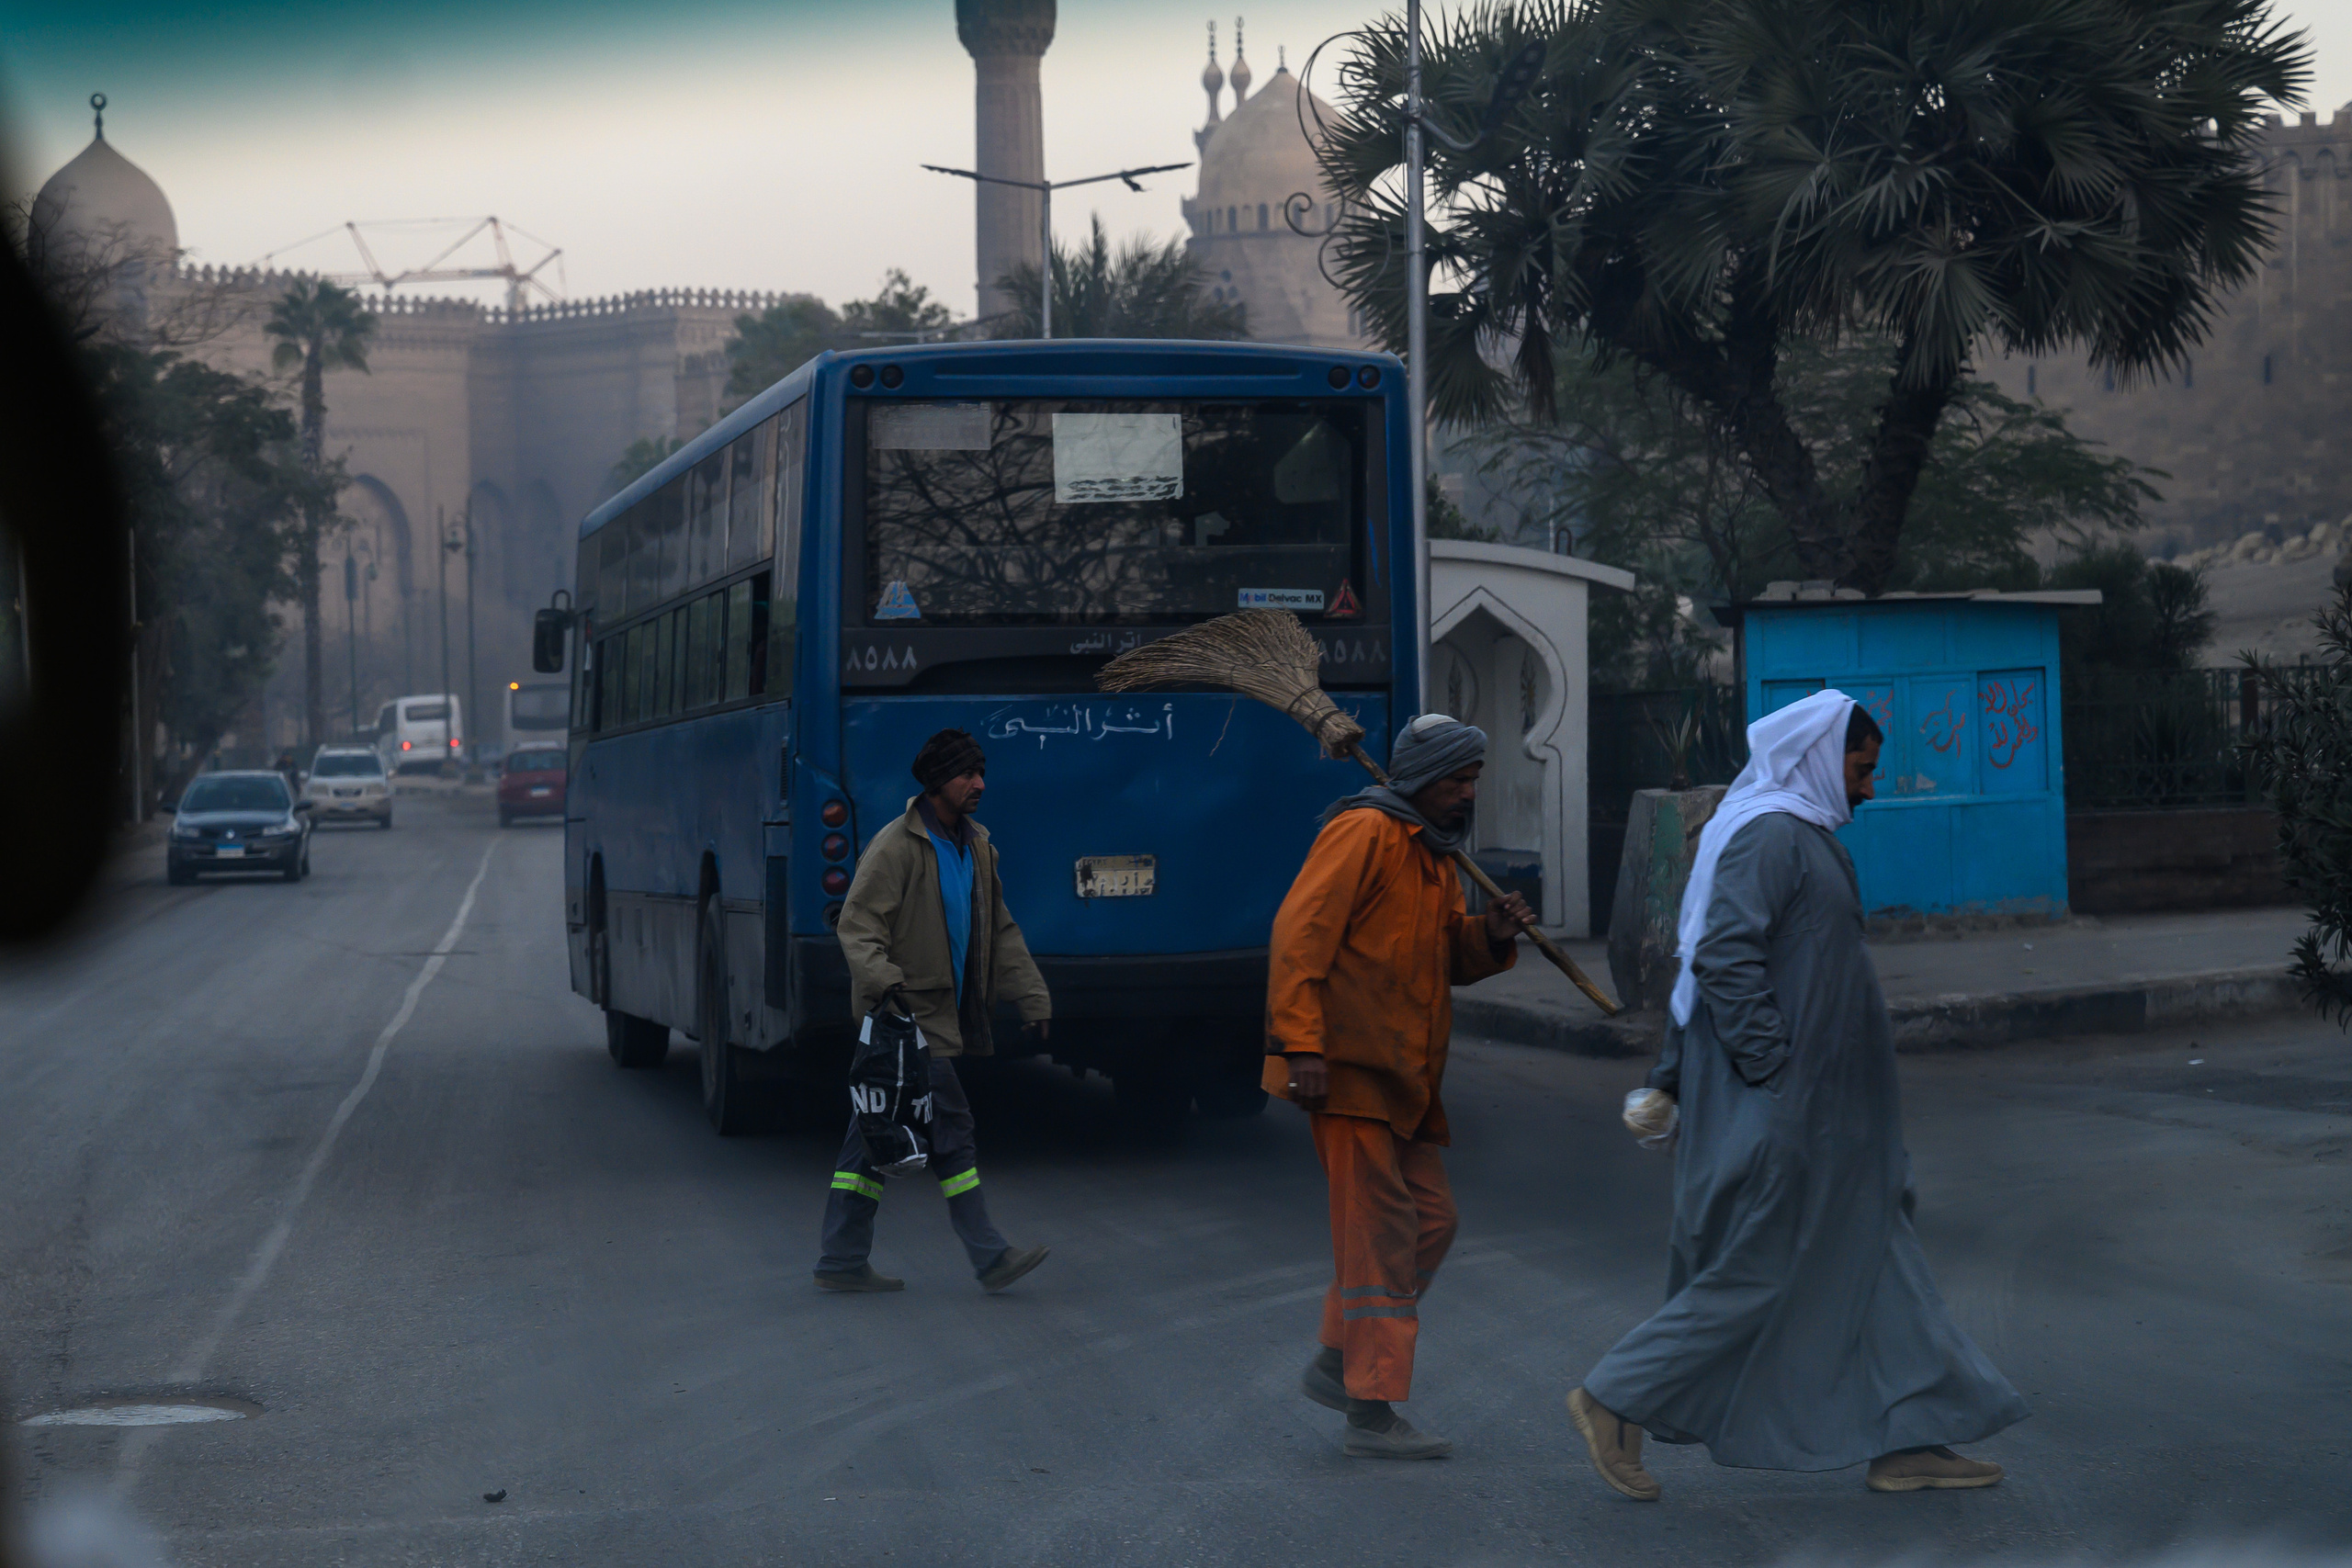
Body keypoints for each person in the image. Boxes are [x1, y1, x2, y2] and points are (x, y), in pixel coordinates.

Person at [1567, 689, 2029, 1500]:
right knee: (1766, 1269)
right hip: (1798, 1111)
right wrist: (1776, 1075)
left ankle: (1906, 1436)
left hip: (1844, 1116)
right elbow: (1718, 958)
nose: (1870, 786)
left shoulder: (1803, 834)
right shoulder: (1771, 835)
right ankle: (1613, 1394)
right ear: (1819, 756)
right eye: (1861, 767)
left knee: (1882, 1263)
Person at [1266, 714, 1536, 1460]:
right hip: (1346, 1072)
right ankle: (1370, 1408)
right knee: (1382, 1239)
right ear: (1422, 778)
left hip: (1404, 1082)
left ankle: (1336, 1357)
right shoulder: (1364, 833)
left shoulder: (1433, 854)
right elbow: (1299, 936)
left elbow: (1443, 955)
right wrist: (1302, 1044)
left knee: (1431, 1221)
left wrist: (1491, 934)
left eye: (1474, 779)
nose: (1469, 792)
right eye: (1458, 779)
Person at [817, 728, 1053, 1294]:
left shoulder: (977, 847)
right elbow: (857, 926)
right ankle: (989, 1255)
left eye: (981, 772)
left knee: (872, 1133)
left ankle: (841, 1259)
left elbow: (1000, 930)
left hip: (940, 1016)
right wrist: (887, 984)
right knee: (953, 1127)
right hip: (907, 1018)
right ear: (936, 782)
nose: (980, 783)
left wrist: (1031, 995)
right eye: (967, 774)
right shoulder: (896, 846)